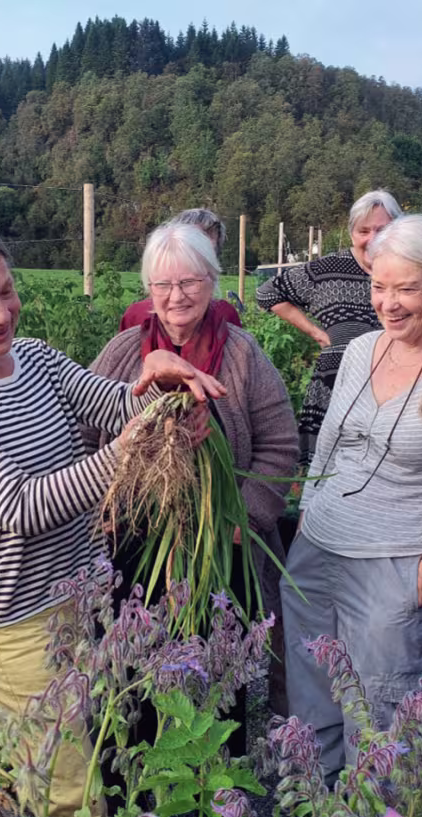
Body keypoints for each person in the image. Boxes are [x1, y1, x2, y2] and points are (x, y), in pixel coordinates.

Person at [0, 212, 225, 817]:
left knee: (91, 760)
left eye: (6, 291)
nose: (2, 314)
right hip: (16, 626)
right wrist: (128, 450)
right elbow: (20, 506)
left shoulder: (36, 360)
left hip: (83, 599)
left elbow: (116, 402)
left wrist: (166, 398)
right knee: (68, 800)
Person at [280, 214, 422, 785]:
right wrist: (307, 522)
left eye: (406, 289)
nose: (388, 303)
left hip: (395, 567)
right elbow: (328, 445)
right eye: (379, 286)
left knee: (382, 726)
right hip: (317, 556)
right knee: (312, 704)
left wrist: (418, 584)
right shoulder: (361, 351)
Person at [88, 222, 299, 719]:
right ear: (149, 289)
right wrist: (101, 512)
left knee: (215, 680)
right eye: (163, 284)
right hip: (134, 547)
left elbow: (280, 445)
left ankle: (215, 764)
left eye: (189, 282)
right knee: (134, 677)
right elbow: (82, 432)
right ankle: (135, 764)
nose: (176, 295)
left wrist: (241, 518)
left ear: (212, 281)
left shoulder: (243, 354)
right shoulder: (123, 352)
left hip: (219, 548)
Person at [256, 190, 402, 467]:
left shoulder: (414, 269)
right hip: (335, 389)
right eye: (363, 231)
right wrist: (314, 331)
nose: (372, 239)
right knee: (326, 473)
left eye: (382, 230)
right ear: (351, 234)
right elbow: (267, 293)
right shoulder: (327, 270)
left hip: (397, 390)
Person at [119, 208, 242, 331]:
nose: (177, 297)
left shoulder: (225, 315)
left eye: (208, 251)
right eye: (192, 248)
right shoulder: (136, 317)